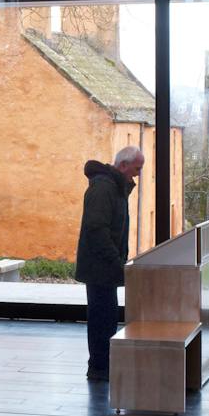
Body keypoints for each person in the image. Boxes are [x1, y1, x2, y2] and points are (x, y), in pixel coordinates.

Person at [74, 143, 143, 386]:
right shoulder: (104, 188)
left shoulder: (114, 187)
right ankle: (99, 367)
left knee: (106, 317)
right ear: (123, 165)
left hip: (105, 266)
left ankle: (104, 365)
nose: (138, 174)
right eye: (136, 168)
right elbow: (97, 230)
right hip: (100, 266)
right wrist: (116, 261)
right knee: (101, 319)